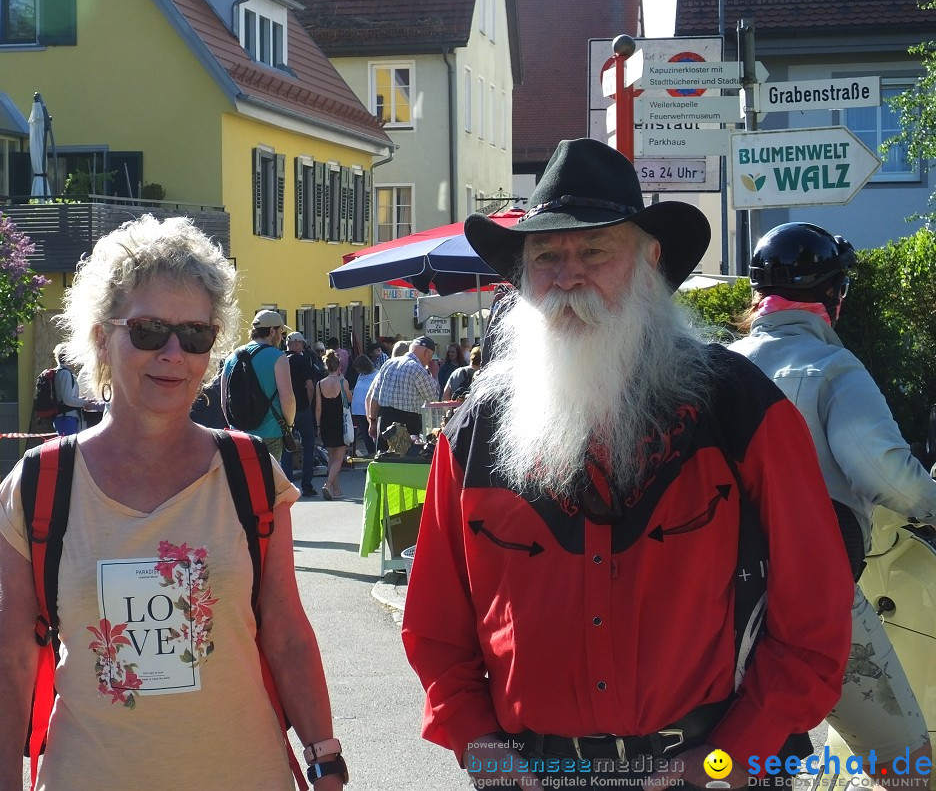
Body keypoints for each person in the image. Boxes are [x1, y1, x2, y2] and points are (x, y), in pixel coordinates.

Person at [401, 139, 854, 790]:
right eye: (547, 257)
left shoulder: (740, 408)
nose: (567, 277)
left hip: (715, 768)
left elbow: (816, 618)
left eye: (594, 252)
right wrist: (479, 747)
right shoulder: (475, 431)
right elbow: (437, 627)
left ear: (648, 260)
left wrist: (729, 758)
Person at [0, 215, 346, 789]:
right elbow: (11, 658)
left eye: (196, 335)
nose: (173, 353)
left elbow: (286, 631)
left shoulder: (249, 472)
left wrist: (325, 757)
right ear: (103, 337)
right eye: (149, 331)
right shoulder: (39, 485)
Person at [730, 222, 934, 789]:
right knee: (908, 761)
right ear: (833, 297)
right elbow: (886, 474)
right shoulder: (833, 369)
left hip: (712, 599)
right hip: (810, 596)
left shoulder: (716, 367)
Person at [221, 309, 295, 459]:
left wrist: (235, 426)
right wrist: (289, 425)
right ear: (272, 331)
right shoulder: (278, 358)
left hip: (239, 435)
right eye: (281, 331)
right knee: (269, 480)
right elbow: (287, 399)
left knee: (244, 480)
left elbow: (224, 401)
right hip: (270, 431)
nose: (282, 337)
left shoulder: (232, 357)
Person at [365, 336, 439, 453]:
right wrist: (434, 375)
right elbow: (433, 398)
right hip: (408, 423)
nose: (430, 360)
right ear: (426, 352)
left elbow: (374, 397)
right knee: (406, 462)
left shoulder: (388, 364)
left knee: (384, 459)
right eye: (431, 356)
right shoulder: (417, 369)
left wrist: (372, 422)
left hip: (384, 419)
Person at [282, 331, 318, 497]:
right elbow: (310, 386)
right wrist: (308, 404)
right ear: (296, 343)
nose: (303, 347)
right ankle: (307, 486)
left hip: (284, 409)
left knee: (286, 447)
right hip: (302, 408)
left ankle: (287, 485)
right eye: (302, 344)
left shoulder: (280, 359)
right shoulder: (301, 359)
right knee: (309, 446)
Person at [315, 350, 352, 501]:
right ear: (339, 367)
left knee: (331, 457)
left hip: (325, 421)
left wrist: (318, 426)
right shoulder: (343, 382)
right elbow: (349, 399)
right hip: (340, 421)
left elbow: (318, 407)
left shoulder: (319, 384)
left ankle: (336, 490)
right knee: (339, 457)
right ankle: (329, 484)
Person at [50, 343, 97, 436]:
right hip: (67, 418)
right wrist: (85, 403)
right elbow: (67, 399)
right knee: (69, 448)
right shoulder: (65, 374)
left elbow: (68, 397)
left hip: (66, 418)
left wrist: (82, 400)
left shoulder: (60, 372)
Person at [349, 355, 378, 457]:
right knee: (366, 436)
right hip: (359, 411)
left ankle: (375, 454)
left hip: (370, 411)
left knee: (373, 435)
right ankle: (371, 453)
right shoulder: (360, 376)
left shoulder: (377, 375)